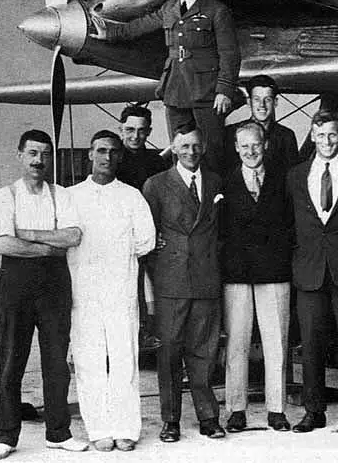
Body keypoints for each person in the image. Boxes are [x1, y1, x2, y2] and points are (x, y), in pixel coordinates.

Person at [0, 130, 88, 460]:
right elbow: (2, 243)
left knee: (56, 363)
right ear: (20, 155)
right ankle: (6, 436)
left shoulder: (62, 195)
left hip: (55, 286)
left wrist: (26, 234)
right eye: (32, 153)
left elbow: (73, 235)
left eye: (44, 154)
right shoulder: (5, 196)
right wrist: (48, 246)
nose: (38, 161)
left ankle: (58, 433)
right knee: (11, 361)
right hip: (16, 286)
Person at [92, 0, 241, 173]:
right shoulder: (169, 8)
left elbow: (230, 53)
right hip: (175, 89)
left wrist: (224, 89)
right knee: (178, 150)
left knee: (210, 154)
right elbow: (139, 26)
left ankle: (212, 202)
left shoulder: (217, 11)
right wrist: (110, 34)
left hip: (207, 92)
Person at [68, 130, 156, 451]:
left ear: (120, 157)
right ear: (90, 155)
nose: (107, 157)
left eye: (113, 152)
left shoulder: (132, 196)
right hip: (85, 292)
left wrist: (114, 252)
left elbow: (146, 239)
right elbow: (66, 239)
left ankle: (125, 428)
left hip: (120, 290)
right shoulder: (72, 196)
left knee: (124, 359)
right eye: (101, 151)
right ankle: (99, 429)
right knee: (90, 360)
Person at [286, 110, 338, 434]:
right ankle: (313, 411)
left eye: (332, 135)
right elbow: (287, 224)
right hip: (309, 271)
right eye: (320, 135)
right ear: (312, 135)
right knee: (310, 344)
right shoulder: (295, 176)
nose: (326, 141)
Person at [142, 123, 226, 442]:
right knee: (169, 352)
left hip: (206, 280)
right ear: (173, 148)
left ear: (202, 148)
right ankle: (171, 420)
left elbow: (222, 233)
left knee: (204, 351)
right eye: (184, 146)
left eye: (195, 146)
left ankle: (208, 417)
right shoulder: (156, 184)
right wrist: (161, 267)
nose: (190, 152)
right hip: (170, 282)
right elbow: (147, 238)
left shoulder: (217, 182)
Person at [221, 121, 294, 433]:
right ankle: (236, 408)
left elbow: (291, 225)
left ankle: (276, 409)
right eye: (244, 146)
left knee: (276, 342)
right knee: (236, 342)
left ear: (265, 145)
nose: (251, 151)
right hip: (237, 273)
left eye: (256, 144)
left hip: (274, 271)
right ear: (237, 148)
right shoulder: (224, 182)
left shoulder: (284, 180)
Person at [116, 104, 169, 350]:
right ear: (121, 129)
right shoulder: (112, 160)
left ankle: (155, 333)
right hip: (120, 238)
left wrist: (158, 233)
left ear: (149, 132)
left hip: (151, 236)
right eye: (129, 130)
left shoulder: (156, 162)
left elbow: (164, 201)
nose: (135, 136)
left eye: (141, 130)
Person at [222, 75, 299, 175]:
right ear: (249, 102)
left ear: (275, 103)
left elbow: (292, 176)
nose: (262, 105)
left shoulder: (286, 136)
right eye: (257, 99)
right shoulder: (231, 133)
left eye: (267, 99)